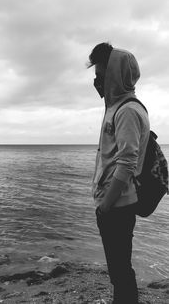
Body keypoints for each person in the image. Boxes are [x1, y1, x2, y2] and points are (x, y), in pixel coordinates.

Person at [88, 43, 150, 304]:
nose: (97, 80)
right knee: (118, 268)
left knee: (121, 269)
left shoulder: (127, 110)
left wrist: (106, 205)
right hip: (115, 202)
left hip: (117, 205)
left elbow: (126, 163)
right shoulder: (116, 107)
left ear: (115, 74)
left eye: (102, 74)